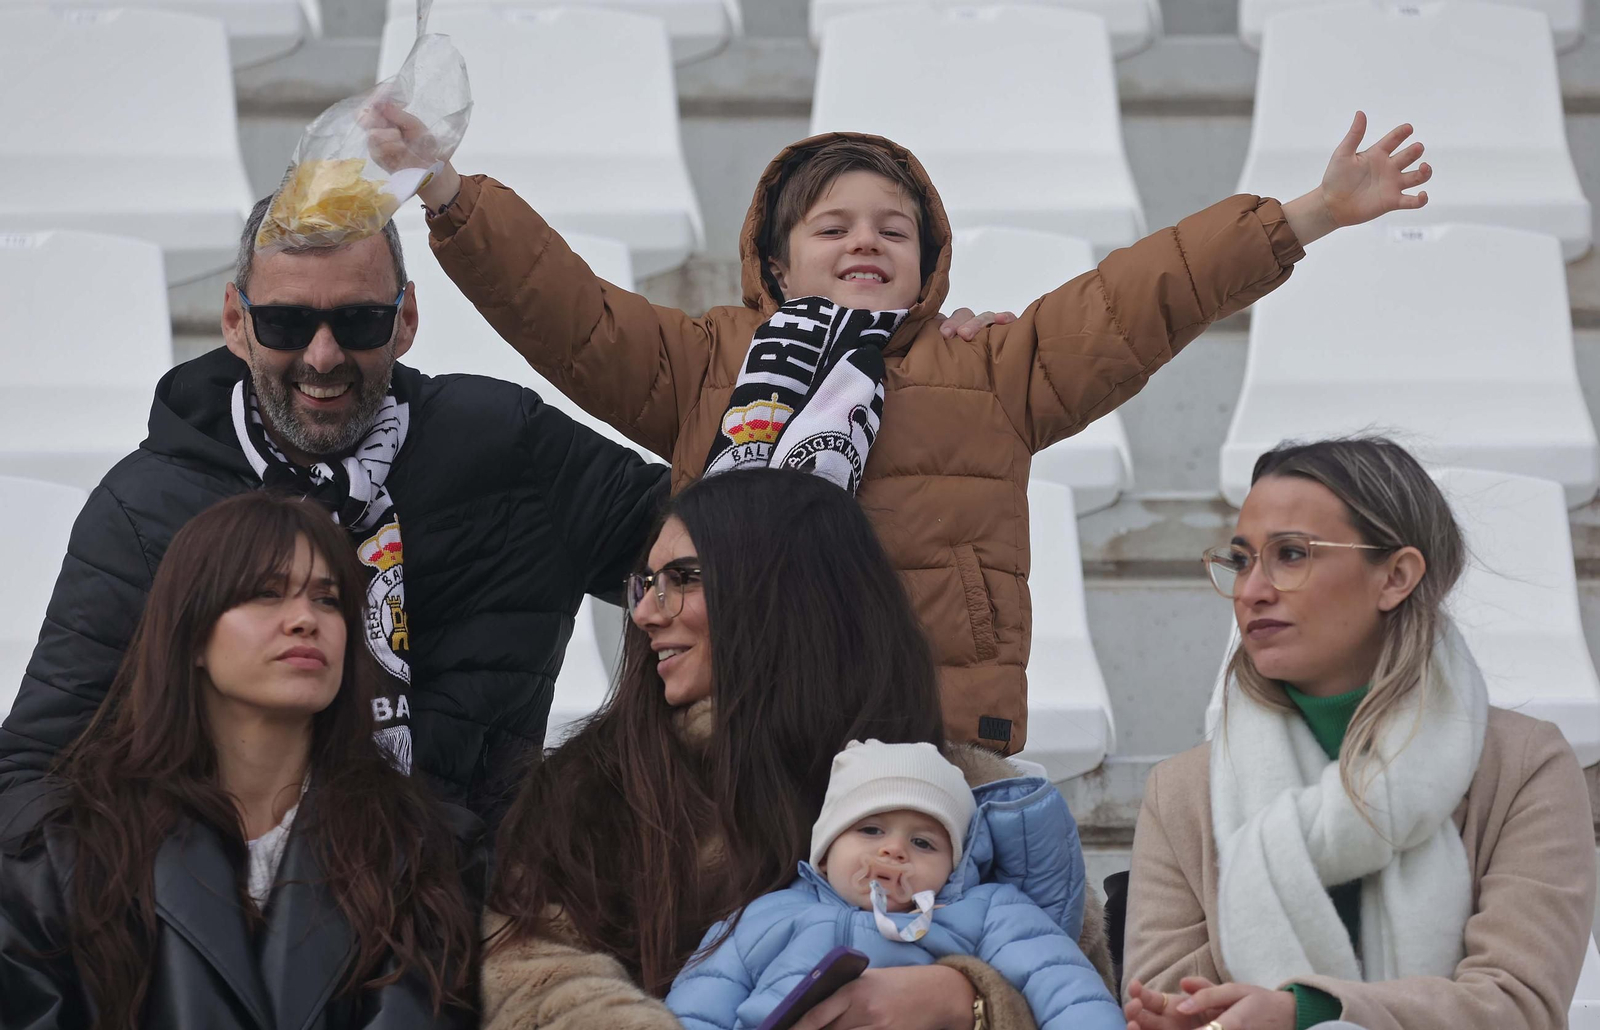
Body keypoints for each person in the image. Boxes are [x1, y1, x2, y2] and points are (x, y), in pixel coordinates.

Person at [373, 106, 1431, 755]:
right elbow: (567, 310)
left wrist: (1306, 214)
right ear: (776, 264)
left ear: (931, 264)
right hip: (740, 729)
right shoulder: (705, 362)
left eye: (894, 230)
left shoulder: (994, 366)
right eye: (830, 227)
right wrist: (451, 194)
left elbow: (1138, 298)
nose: (864, 243)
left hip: (934, 737)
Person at [0, 200, 668, 818]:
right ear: (236, 322)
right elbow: (36, 769)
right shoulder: (148, 510)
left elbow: (720, 551)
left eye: (359, 321)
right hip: (240, 917)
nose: (323, 357)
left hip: (482, 910)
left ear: (405, 321)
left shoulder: (507, 446)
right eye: (287, 322)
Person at [481, 468, 1113, 1030]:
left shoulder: (971, 795)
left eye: (683, 579)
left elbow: (1078, 984)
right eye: (645, 582)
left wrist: (969, 1003)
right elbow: (524, 967)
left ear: (787, 593)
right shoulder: (592, 787)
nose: (645, 611)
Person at [1120, 437, 1596, 1030]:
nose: (1251, 590)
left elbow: (1517, 1007)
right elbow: (1168, 999)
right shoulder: (1183, 792)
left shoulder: (1524, 767)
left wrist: (1308, 1015)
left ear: (1395, 576)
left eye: (1291, 555)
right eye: (1241, 560)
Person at [0, 492, 483, 1029]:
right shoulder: (61, 856)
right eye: (265, 593)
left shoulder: (425, 853)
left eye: (327, 600)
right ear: (192, 633)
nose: (304, 619)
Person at [665, 739, 1124, 1030]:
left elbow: (1066, 990)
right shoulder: (766, 917)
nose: (893, 851)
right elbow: (701, 1004)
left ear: (953, 866)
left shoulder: (990, 912)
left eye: (923, 842)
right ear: (824, 853)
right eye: (870, 830)